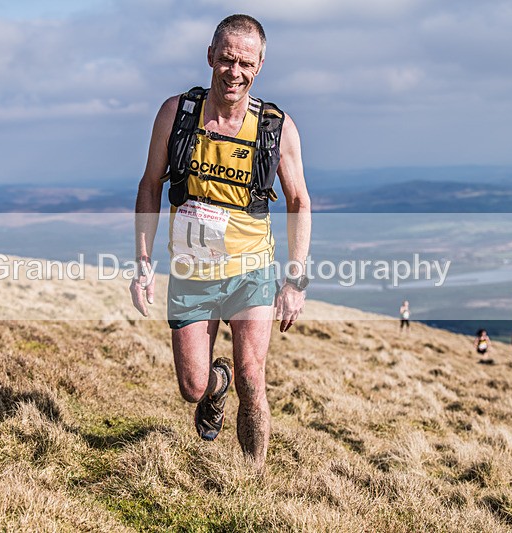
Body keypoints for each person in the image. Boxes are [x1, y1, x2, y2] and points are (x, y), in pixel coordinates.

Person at [130, 14, 311, 473]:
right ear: (210, 57)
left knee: (254, 376)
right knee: (191, 386)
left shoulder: (276, 128)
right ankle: (215, 386)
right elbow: (150, 185)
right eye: (227, 59)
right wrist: (143, 261)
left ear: (260, 66)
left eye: (245, 63)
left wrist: (296, 280)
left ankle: (251, 481)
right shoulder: (177, 114)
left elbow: (299, 201)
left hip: (251, 271)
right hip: (193, 270)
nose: (235, 71)